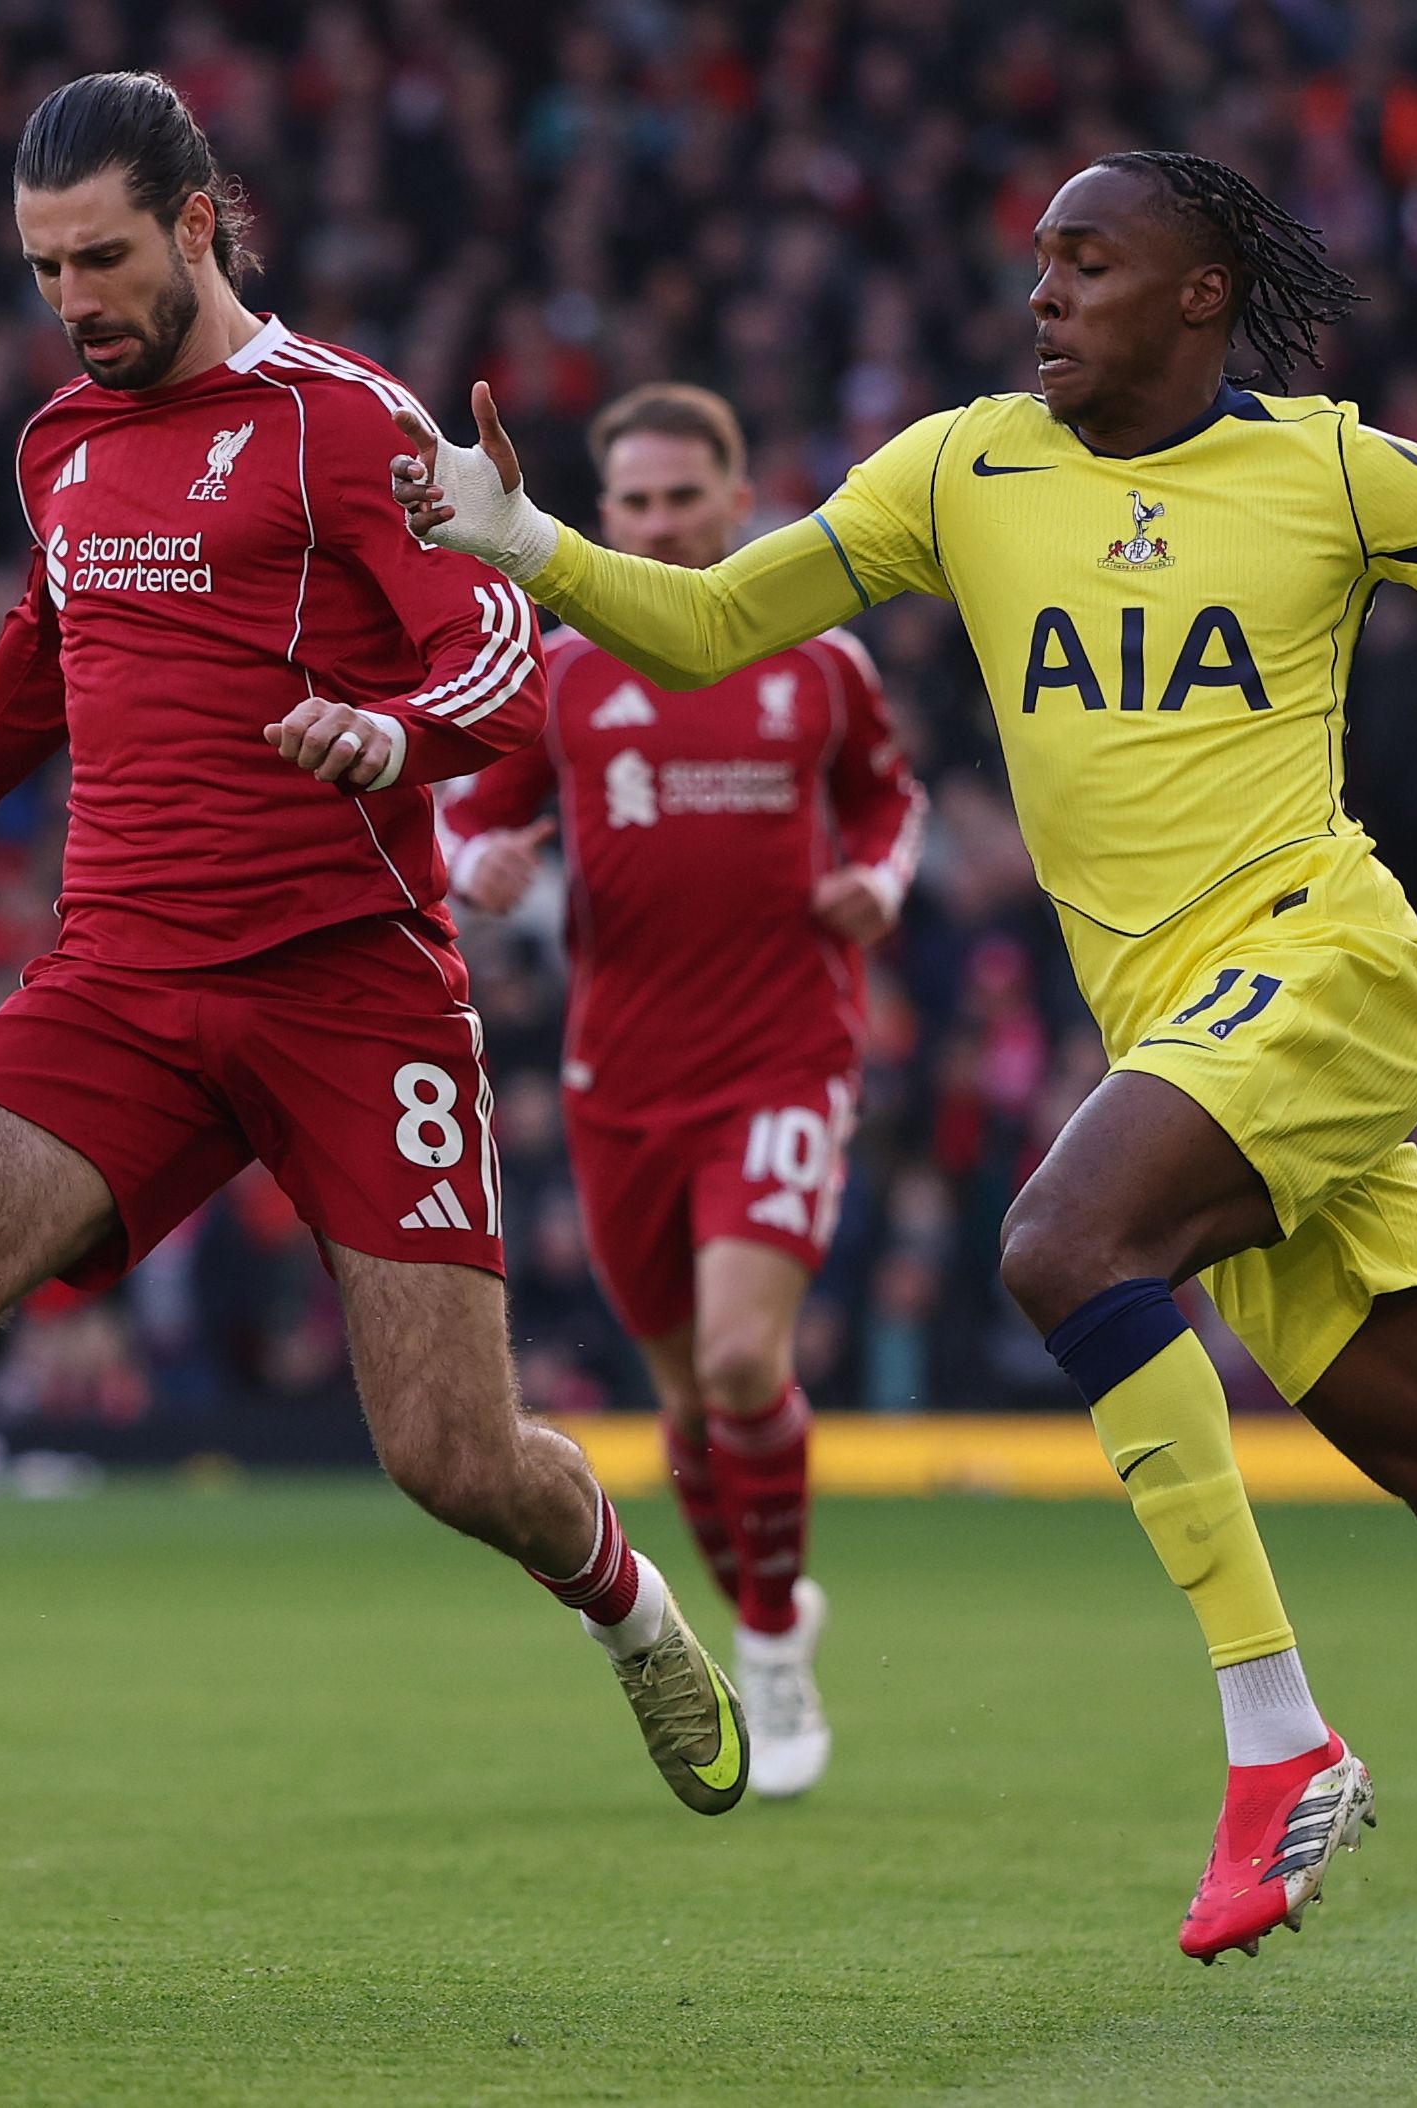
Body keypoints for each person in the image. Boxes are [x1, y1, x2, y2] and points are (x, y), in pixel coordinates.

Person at [396, 150, 1417, 1962]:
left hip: (1325, 970)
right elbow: (700, 630)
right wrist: (525, 543)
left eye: (1088, 264)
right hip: (1187, 1035)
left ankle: (1274, 1735)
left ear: (1197, 293)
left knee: (1061, 1242)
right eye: (1036, 267)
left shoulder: (1335, 465)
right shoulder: (957, 466)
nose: (1044, 298)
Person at [0, 72, 748, 1917]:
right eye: (40, 270)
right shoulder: (62, 448)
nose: (74, 301)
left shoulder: (345, 424)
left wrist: (387, 729)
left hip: (353, 991)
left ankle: (626, 1600)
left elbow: (502, 656)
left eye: (101, 257)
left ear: (199, 221)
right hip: (118, 975)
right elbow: (40, 653)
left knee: (447, 1455)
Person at [441, 381, 925, 1800]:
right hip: (618, 1072)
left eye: (677, 498)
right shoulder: (568, 662)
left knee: (733, 1361)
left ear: (736, 497)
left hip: (782, 1051)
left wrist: (878, 882)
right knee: (679, 1397)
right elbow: (473, 801)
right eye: (630, 502)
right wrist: (481, 861)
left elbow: (886, 798)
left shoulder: (818, 662)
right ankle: (766, 1607)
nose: (653, 522)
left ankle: (768, 1643)